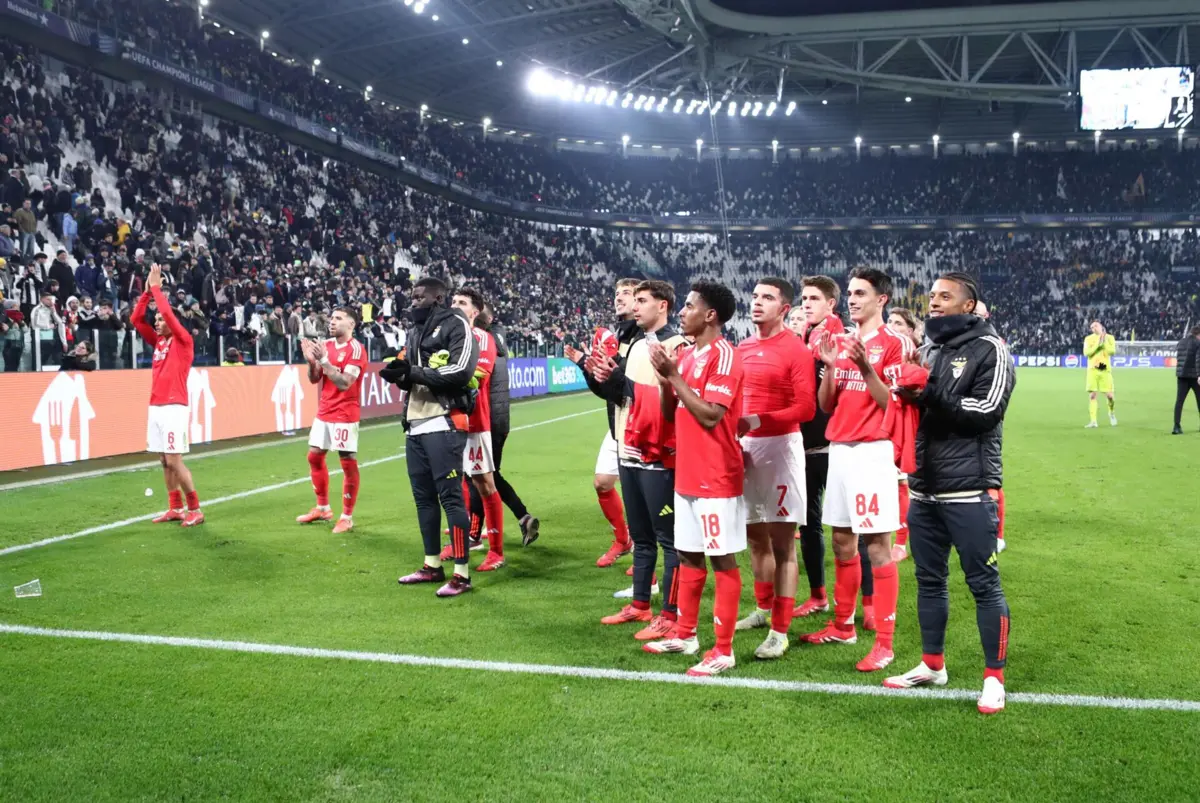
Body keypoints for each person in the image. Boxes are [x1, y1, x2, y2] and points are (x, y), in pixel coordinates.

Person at [883, 272, 1015, 716]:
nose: (934, 302)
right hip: (924, 488)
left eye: (945, 296)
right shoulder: (930, 348)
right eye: (932, 295)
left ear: (968, 305)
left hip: (970, 490)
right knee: (929, 580)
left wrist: (930, 393)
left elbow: (986, 412)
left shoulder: (989, 349)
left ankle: (994, 678)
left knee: (983, 585)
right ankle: (932, 664)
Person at [801, 267, 913, 673]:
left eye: (860, 293)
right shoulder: (842, 342)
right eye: (849, 292)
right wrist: (831, 365)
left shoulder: (894, 344)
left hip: (872, 452)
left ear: (881, 299)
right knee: (842, 543)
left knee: (877, 547)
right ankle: (843, 625)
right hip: (840, 451)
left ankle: (884, 644)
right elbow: (826, 405)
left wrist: (867, 368)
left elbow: (893, 405)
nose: (852, 299)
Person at [642, 280, 745, 677]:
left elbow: (711, 415)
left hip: (716, 475)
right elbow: (673, 415)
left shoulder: (724, 356)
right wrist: (666, 378)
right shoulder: (687, 357)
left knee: (722, 560)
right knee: (687, 555)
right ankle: (685, 634)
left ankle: (723, 649)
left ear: (710, 315)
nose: (681, 312)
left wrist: (675, 377)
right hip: (687, 472)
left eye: (688, 306)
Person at [590, 279, 687, 639]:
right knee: (643, 539)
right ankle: (640, 605)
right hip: (628, 451)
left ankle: (671, 615)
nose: (635, 306)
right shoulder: (636, 347)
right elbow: (623, 397)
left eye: (642, 300)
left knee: (669, 540)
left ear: (662, 305)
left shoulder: (676, 345)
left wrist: (622, 382)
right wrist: (600, 377)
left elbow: (674, 401)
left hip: (659, 458)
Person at [732, 278, 817, 660]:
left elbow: (806, 409)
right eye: (754, 296)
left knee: (783, 544)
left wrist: (756, 420)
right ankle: (763, 609)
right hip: (745, 448)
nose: (757, 303)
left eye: (767, 298)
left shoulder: (796, 350)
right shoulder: (742, 348)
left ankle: (780, 631)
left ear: (784, 308)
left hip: (781, 449)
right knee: (754, 537)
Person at [389, 277, 480, 598]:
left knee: (451, 498)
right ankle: (431, 565)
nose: (412, 301)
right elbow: (413, 373)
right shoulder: (415, 331)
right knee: (424, 499)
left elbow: (462, 371)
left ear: (437, 298)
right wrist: (399, 374)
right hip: (415, 424)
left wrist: (412, 373)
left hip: (444, 422)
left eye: (418, 297)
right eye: (411, 296)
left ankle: (461, 574)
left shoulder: (456, 324)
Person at [566, 278, 639, 569]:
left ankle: (649, 555)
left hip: (640, 424)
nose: (619, 298)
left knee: (643, 495)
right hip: (617, 422)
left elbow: (627, 385)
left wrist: (595, 365)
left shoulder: (643, 338)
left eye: (627, 293)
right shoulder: (615, 337)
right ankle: (623, 540)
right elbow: (606, 391)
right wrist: (588, 366)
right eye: (617, 293)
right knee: (603, 483)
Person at [791, 276, 852, 620]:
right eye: (804, 298)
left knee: (853, 528)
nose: (807, 303)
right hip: (805, 447)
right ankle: (818, 596)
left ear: (831, 304)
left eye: (814, 298)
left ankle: (868, 604)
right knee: (809, 526)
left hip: (836, 447)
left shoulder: (840, 341)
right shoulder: (802, 340)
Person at [131, 264, 203, 527]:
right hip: (156, 406)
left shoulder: (183, 341)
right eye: (157, 320)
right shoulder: (159, 342)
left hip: (175, 406)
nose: (158, 323)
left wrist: (157, 289)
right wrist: (147, 294)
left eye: (162, 320)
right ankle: (176, 508)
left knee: (174, 459)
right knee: (163, 459)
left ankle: (195, 508)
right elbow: (136, 320)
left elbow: (169, 316)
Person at [466, 302, 539, 548]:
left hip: (486, 421)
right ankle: (521, 518)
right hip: (500, 419)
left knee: (478, 477)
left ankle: (475, 534)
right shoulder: (498, 341)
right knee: (487, 475)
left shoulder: (481, 343)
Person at [447, 287, 506, 572]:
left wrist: (439, 376)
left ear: (475, 312)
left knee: (484, 483)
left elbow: (476, 378)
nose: (455, 305)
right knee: (453, 481)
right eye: (454, 301)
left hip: (472, 421)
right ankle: (461, 539)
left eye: (463, 302)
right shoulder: (445, 335)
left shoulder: (482, 337)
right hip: (444, 420)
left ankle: (496, 551)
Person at [296, 307, 367, 534]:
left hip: (345, 413)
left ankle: (346, 517)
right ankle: (323, 508)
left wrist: (324, 361)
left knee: (347, 461)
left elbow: (345, 383)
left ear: (351, 324)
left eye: (338, 319)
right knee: (314, 456)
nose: (332, 322)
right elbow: (315, 379)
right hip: (325, 410)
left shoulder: (356, 350)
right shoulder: (324, 345)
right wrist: (311, 363)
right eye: (332, 318)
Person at [886, 308, 921, 563]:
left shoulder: (914, 359)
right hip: (881, 425)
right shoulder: (881, 349)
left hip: (902, 427)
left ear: (910, 331)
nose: (892, 326)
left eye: (898, 323)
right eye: (889, 321)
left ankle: (900, 542)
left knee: (901, 485)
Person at [1084, 320, 1117, 428]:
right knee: (1092, 395)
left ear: (1101, 326)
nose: (1094, 328)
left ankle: (1111, 412)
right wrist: (1098, 346)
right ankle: (1093, 421)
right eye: (1092, 327)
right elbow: (1086, 353)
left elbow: (1112, 351)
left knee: (1110, 396)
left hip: (1104, 368)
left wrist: (1104, 342)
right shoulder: (1088, 339)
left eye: (1096, 326)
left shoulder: (1110, 337)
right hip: (1092, 369)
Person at [1173, 325, 1200, 434]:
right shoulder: (1198, 343)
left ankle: (1176, 426)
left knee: (1179, 402)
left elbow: (1179, 358)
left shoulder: (1181, 342)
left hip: (1182, 376)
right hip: (1194, 376)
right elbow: (1198, 360)